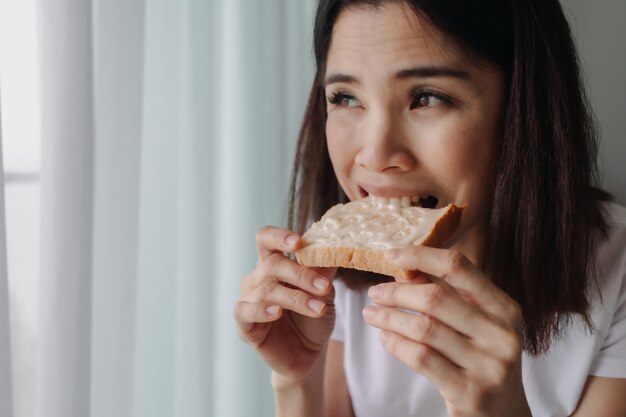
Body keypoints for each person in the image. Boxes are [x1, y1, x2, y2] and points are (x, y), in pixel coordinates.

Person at [233, 0, 626, 415]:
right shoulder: (333, 280)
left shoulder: (616, 273)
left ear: (522, 107)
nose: (375, 153)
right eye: (345, 97)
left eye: (427, 97)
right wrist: (297, 381)